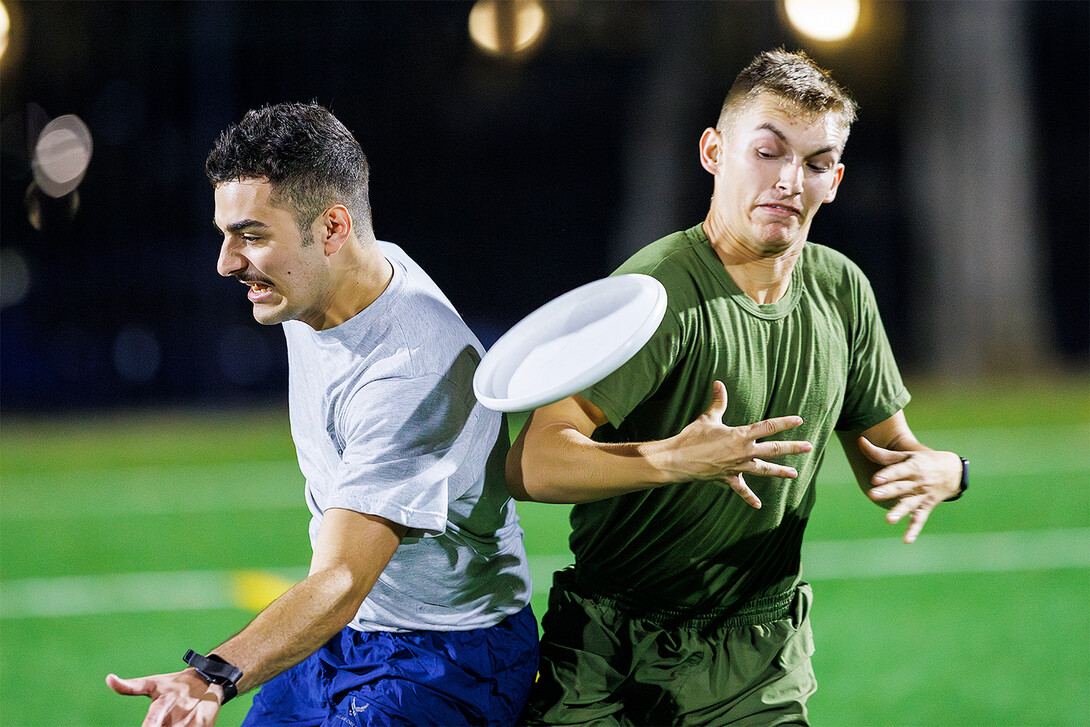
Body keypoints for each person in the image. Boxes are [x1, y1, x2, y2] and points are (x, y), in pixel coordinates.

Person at [508, 49, 968, 726]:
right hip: (609, 649)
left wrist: (946, 470)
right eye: (768, 152)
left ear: (834, 180)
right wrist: (670, 460)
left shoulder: (842, 291)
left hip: (758, 654)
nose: (788, 179)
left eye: (814, 163)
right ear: (714, 152)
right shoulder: (658, 293)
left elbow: (887, 458)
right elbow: (532, 461)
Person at [107, 102, 538, 726]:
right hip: (348, 632)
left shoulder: (413, 367)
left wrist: (213, 675)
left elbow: (338, 578)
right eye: (225, 234)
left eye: (252, 235)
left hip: (446, 651)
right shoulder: (325, 281)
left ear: (334, 229)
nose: (227, 262)